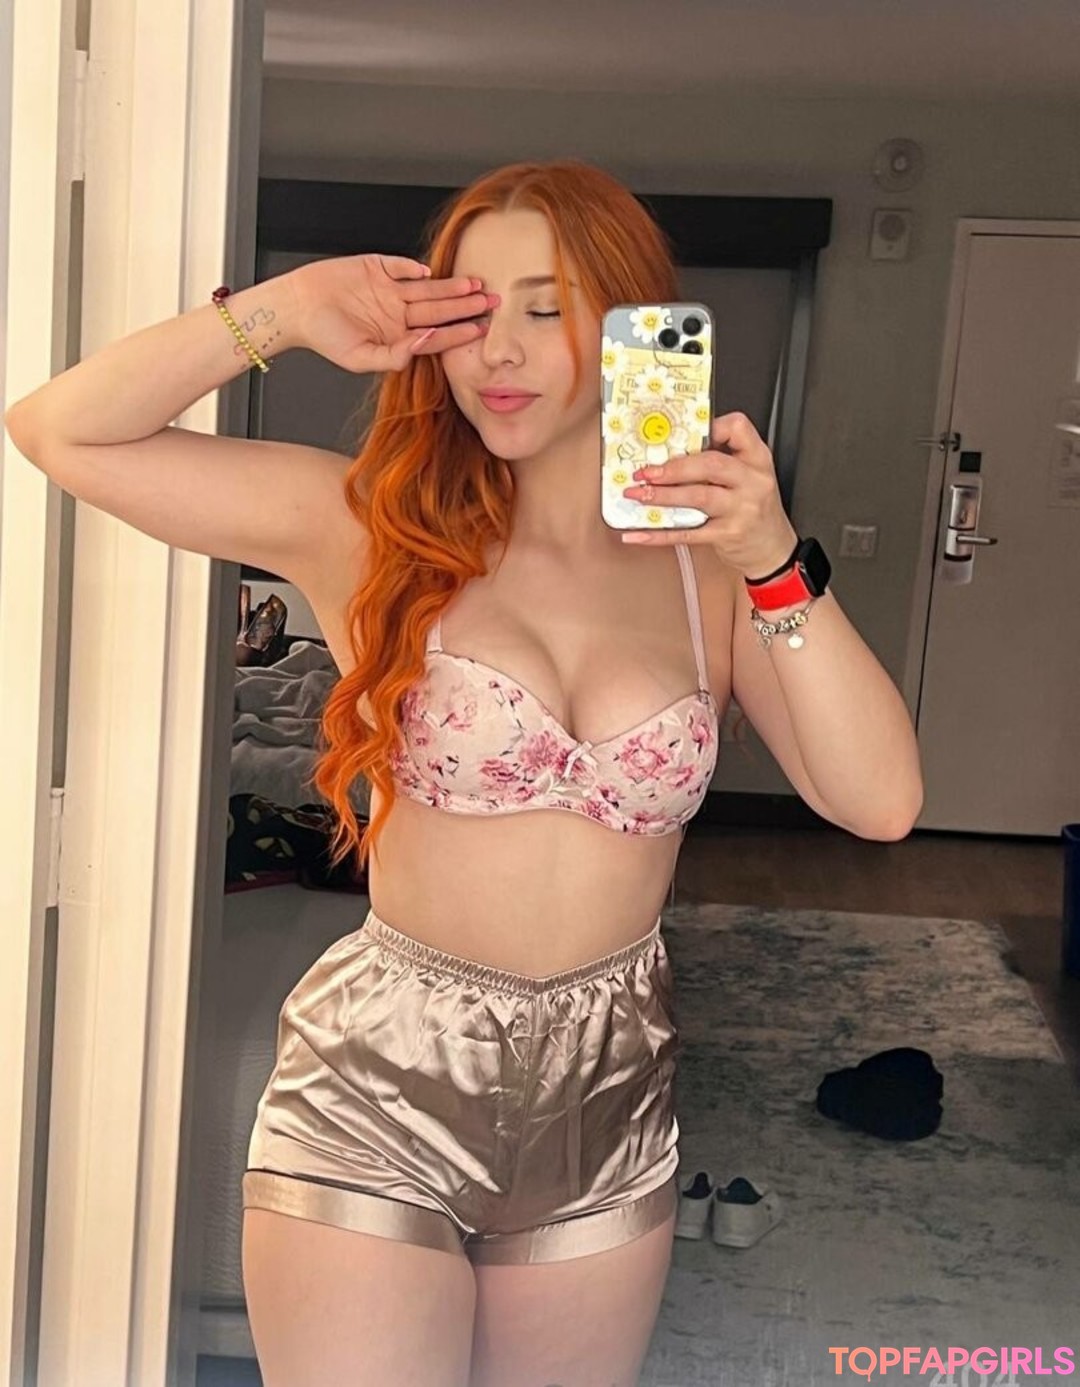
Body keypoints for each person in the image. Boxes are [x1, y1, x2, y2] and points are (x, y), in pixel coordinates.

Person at [4, 157, 922, 1387]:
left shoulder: (709, 569)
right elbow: (59, 429)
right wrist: (286, 309)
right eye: (473, 311)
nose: (501, 351)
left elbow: (880, 801)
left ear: (634, 327)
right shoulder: (366, 526)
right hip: (381, 1086)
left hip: (609, 1100)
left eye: (547, 308)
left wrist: (772, 556)